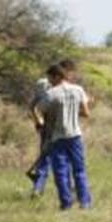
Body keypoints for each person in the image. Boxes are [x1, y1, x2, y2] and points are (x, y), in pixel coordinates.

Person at [35, 63, 92, 210]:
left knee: (60, 173)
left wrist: (40, 124)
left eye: (51, 78)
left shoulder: (52, 93)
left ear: (57, 76)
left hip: (58, 137)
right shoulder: (78, 90)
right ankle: (85, 202)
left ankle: (66, 204)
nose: (50, 82)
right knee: (79, 171)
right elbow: (86, 113)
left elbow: (37, 110)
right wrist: (72, 112)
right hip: (75, 136)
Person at [25, 76, 52, 197]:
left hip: (45, 129)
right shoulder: (51, 95)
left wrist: (38, 123)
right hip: (54, 131)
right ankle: (37, 188)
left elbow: (32, 107)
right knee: (56, 160)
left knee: (45, 159)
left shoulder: (39, 98)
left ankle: (38, 187)